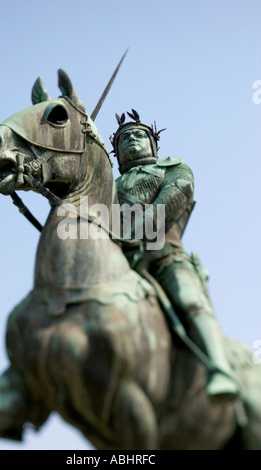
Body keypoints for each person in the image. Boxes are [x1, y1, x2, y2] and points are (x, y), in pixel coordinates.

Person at [110, 109, 240, 402]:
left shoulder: (174, 169)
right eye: (124, 139)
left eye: (138, 135)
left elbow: (173, 200)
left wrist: (134, 234)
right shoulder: (108, 186)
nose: (131, 140)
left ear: (153, 144)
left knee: (189, 299)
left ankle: (220, 368)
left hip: (165, 257)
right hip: (119, 264)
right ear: (115, 153)